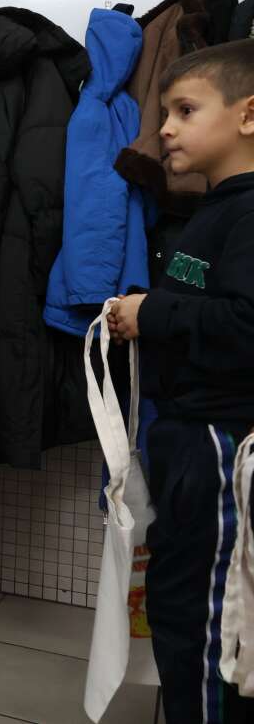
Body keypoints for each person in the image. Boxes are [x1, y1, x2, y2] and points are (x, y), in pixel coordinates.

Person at [107, 39, 254, 724]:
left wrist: (154, 311)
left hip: (221, 445)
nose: (163, 127)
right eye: (164, 111)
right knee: (175, 603)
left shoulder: (249, 213)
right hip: (190, 442)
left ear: (248, 114)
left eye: (185, 109)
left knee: (203, 623)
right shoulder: (212, 208)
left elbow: (246, 324)